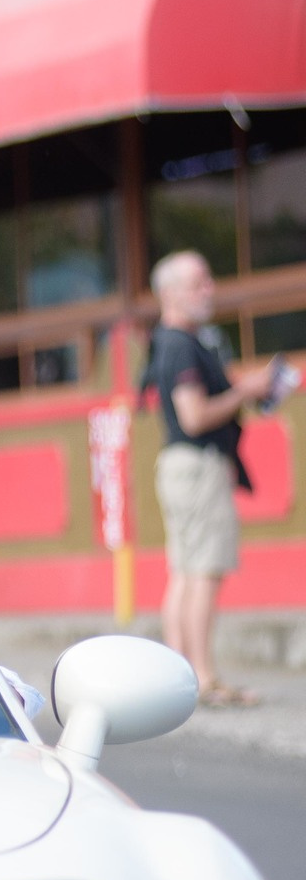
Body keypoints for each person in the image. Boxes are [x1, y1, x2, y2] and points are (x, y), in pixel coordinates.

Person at [147, 251, 279, 708]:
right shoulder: (181, 344)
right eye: (198, 283)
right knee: (203, 570)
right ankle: (202, 677)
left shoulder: (171, 341)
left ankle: (178, 673)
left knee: (184, 569)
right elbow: (194, 414)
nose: (210, 289)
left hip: (179, 465)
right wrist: (244, 391)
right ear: (170, 293)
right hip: (198, 465)